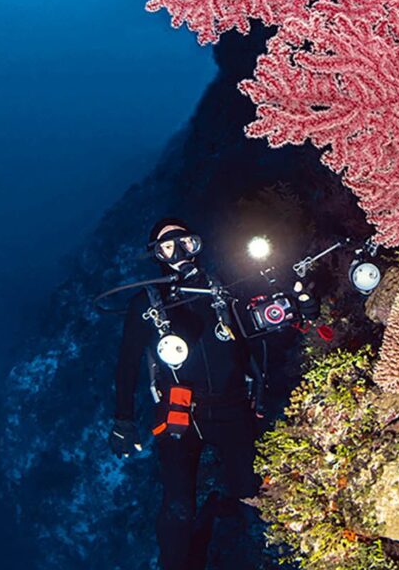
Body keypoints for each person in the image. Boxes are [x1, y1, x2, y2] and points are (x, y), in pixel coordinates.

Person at [109, 218, 264, 570]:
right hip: (180, 417)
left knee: (251, 493)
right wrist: (123, 418)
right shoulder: (145, 304)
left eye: (186, 243)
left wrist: (297, 313)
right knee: (178, 511)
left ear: (198, 245)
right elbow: (127, 364)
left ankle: (222, 512)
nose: (179, 253)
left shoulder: (222, 288)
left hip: (233, 407)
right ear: (157, 256)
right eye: (168, 246)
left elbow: (259, 332)